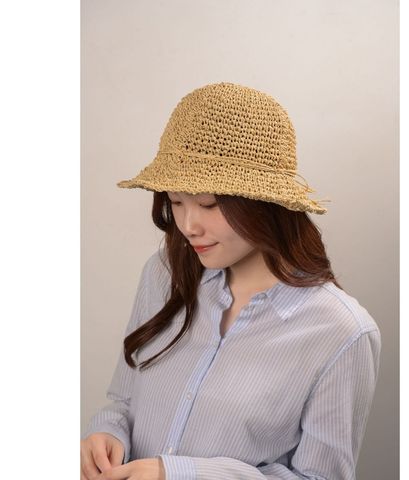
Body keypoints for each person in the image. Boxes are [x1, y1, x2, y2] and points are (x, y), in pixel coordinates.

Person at [81, 82, 381, 480]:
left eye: (209, 204)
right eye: (176, 201)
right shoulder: (165, 272)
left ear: (265, 205)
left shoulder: (341, 332)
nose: (189, 226)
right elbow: (124, 398)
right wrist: (107, 432)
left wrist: (180, 474)